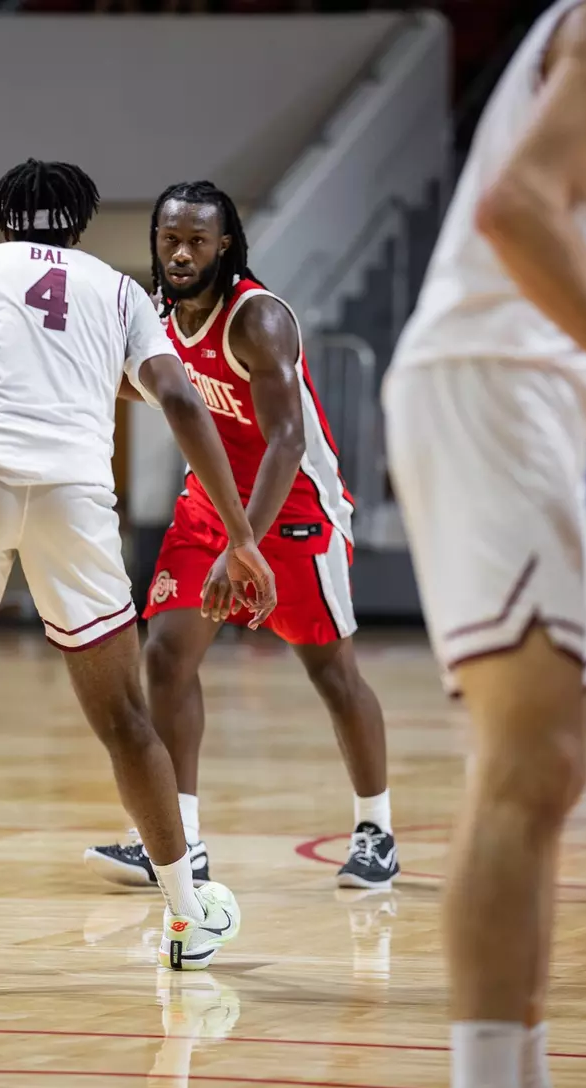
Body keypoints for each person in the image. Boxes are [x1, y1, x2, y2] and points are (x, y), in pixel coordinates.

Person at [0, 159, 277, 988]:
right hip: (73, 491)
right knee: (125, 721)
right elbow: (179, 401)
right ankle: (185, 914)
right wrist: (241, 534)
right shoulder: (114, 289)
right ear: (78, 224)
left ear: (5, 219)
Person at [383, 0, 586, 1088]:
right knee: (522, 765)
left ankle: (513, 1078)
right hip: (487, 380)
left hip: (536, 394)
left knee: (546, 768)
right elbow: (514, 212)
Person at [85, 181, 398, 892]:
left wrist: (243, 544)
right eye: (170, 238)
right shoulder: (159, 315)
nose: (182, 251)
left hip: (293, 513)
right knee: (164, 656)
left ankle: (375, 829)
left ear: (224, 243)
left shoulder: (256, 319)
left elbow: (287, 438)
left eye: (197, 239)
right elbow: (164, 388)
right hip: (211, 508)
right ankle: (181, 837)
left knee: (330, 672)